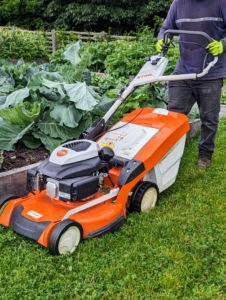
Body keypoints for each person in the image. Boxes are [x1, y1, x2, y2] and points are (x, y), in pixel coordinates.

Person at [156, 0, 226, 168]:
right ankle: (168, 152)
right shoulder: (178, 4)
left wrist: (222, 45)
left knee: (209, 118)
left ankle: (205, 154)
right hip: (183, 70)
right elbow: (166, 28)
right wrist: (162, 39)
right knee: (174, 114)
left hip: (211, 71)